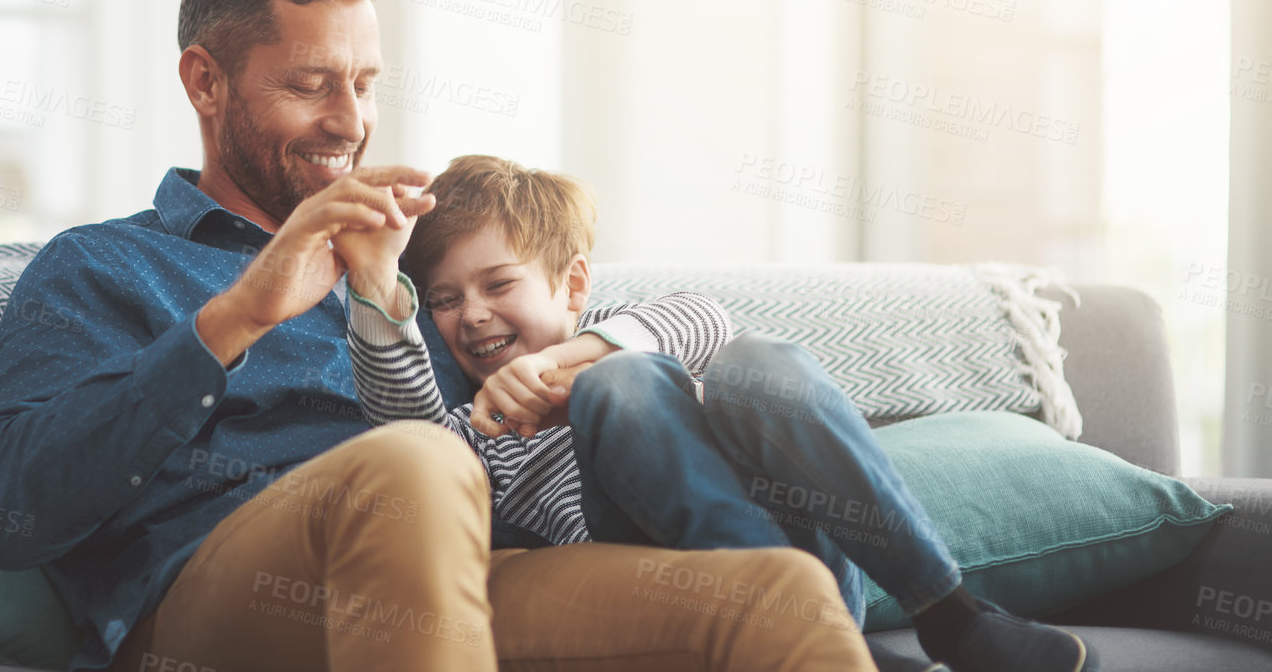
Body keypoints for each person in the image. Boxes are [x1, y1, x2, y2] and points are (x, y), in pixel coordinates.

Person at [0, 0, 877, 672]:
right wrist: (236, 315)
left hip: (455, 580)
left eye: (364, 86)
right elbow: (11, 508)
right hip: (208, 612)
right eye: (310, 86)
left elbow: (575, 364)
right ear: (206, 81)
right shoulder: (103, 266)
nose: (351, 124)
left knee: (777, 595)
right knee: (413, 465)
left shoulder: (416, 286)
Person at [337, 152, 1100, 672]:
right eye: (444, 299)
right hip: (676, 586)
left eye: (498, 285)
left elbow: (703, 318)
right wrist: (375, 285)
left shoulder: (631, 330)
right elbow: (407, 429)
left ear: (572, 287)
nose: (471, 315)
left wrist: (558, 363)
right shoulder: (479, 428)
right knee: (616, 390)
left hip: (808, 558)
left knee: (751, 367)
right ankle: (812, 635)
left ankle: (954, 614)